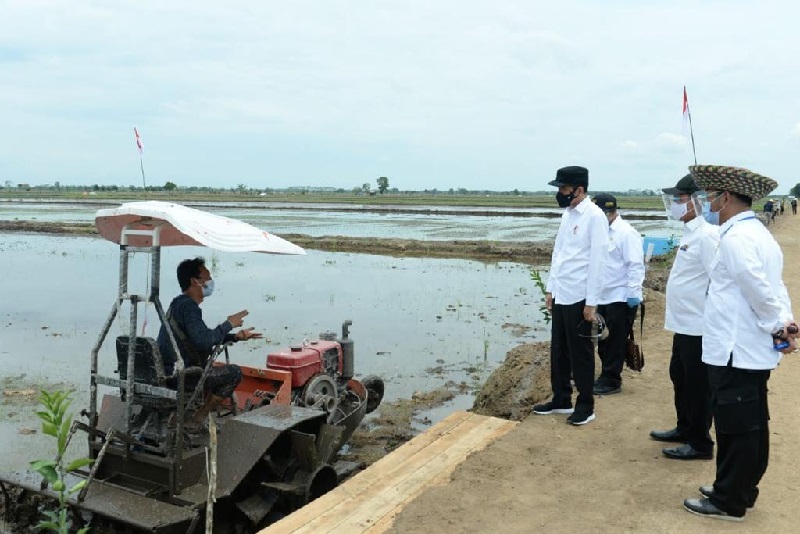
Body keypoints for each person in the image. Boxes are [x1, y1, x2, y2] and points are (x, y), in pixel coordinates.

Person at [681, 165, 797, 521]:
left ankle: (729, 500)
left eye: (709, 197)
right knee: (750, 422)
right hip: (745, 348)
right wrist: (785, 322)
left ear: (726, 198)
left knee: (736, 427)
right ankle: (738, 488)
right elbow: (773, 286)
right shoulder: (756, 233)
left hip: (736, 349)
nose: (706, 204)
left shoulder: (736, 239)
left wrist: (779, 326)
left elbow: (757, 287)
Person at [532, 166, 609, 426]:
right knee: (560, 350)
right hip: (563, 292)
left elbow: (598, 262)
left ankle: (585, 405)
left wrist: (591, 302)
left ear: (579, 189)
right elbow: (559, 254)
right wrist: (550, 289)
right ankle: (561, 398)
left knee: (581, 352)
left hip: (579, 295)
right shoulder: (568, 214)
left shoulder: (594, 216)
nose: (561, 193)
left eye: (564, 189)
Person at [650, 174, 719, 461]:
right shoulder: (690, 233)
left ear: (697, 201)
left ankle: (700, 443)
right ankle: (684, 427)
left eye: (679, 199)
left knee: (697, 386)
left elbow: (719, 281)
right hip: (683, 325)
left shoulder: (707, 236)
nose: (675, 205)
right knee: (679, 376)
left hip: (699, 326)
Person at [157, 257, 262, 427]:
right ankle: (199, 417)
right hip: (184, 376)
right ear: (194, 281)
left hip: (166, 371)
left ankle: (184, 413)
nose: (211, 282)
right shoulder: (189, 308)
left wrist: (235, 337)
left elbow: (200, 336)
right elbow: (204, 342)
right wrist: (229, 324)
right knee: (234, 373)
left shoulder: (178, 304)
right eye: (207, 277)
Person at [591, 193, 644, 395]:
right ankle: (605, 374)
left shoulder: (626, 233)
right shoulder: (600, 232)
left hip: (620, 297)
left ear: (608, 212)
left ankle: (612, 380)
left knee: (615, 341)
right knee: (603, 339)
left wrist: (633, 294)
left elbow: (635, 266)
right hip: (603, 296)